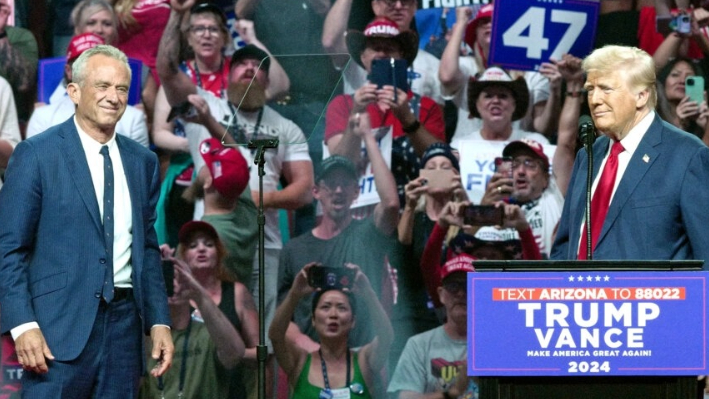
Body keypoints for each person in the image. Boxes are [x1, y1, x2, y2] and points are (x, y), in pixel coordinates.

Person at [0, 45, 173, 398]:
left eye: (122, 89)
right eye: (102, 86)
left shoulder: (143, 162)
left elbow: (147, 248)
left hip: (125, 334)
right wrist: (21, 324)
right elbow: (8, 249)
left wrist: (158, 319)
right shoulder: (36, 154)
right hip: (55, 331)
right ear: (74, 92)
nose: (113, 97)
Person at [551, 45, 709, 267]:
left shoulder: (687, 155)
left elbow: (706, 253)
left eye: (606, 89)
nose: (594, 100)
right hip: (580, 299)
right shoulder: (588, 154)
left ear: (641, 96)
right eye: (590, 89)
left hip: (655, 300)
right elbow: (564, 247)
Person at [278, 113, 399, 349]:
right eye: (331, 184)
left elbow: (392, 204)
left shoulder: (367, 235)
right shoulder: (293, 249)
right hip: (311, 358)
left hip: (359, 358)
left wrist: (368, 137)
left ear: (356, 192)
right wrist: (309, 349)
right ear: (316, 192)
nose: (338, 190)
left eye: (346, 184)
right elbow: (283, 314)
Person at [325, 17, 445, 205]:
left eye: (389, 49)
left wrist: (409, 120)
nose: (381, 54)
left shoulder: (427, 106)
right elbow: (338, 167)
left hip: (412, 210)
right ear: (363, 56)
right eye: (374, 47)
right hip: (356, 212)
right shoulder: (342, 105)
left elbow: (441, 166)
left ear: (401, 57)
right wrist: (356, 114)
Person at [140, 222, 248, 399]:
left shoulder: (208, 334)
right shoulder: (146, 338)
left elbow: (235, 354)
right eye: (164, 279)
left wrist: (198, 292)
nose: (172, 285)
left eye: (177, 277)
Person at [270, 263, 393, 399]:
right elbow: (276, 336)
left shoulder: (365, 360)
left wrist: (368, 294)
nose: (333, 314)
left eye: (341, 308)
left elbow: (386, 337)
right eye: (325, 307)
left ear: (353, 321)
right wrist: (294, 294)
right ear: (313, 320)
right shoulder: (300, 361)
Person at [439, 5, 557, 139]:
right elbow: (447, 77)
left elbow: (543, 128)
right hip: (468, 153)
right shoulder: (466, 66)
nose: (490, 25)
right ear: (476, 34)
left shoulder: (533, 74)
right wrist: (461, 23)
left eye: (496, 20)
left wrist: (555, 91)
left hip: (517, 153)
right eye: (483, 22)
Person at [27, 32, 149, 147]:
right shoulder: (43, 117)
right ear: (69, 72)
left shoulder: (133, 120)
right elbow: (34, 167)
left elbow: (139, 168)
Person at [388, 255, 478, 399]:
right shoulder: (419, 345)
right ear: (441, 294)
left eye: (469, 285)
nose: (461, 293)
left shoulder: (498, 344)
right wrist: (452, 393)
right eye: (453, 287)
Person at [322, 0, 444, 105]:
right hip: (361, 128)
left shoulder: (432, 64)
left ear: (414, 7)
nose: (398, 6)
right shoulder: (358, 54)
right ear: (376, 5)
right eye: (390, 1)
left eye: (405, 1)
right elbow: (330, 42)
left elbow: (437, 121)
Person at [654, 56, 708, 139]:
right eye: (675, 75)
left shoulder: (702, 120)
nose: (682, 81)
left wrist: (706, 127)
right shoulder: (652, 116)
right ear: (663, 81)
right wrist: (678, 125)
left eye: (689, 78)